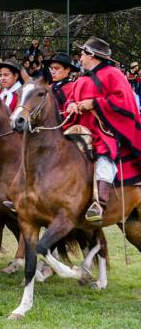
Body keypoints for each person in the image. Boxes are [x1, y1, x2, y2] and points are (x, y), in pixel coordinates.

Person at [65, 36, 141, 222]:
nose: (80, 58)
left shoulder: (113, 74)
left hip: (104, 133)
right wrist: (72, 105)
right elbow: (71, 99)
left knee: (104, 154)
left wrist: (94, 103)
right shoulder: (81, 79)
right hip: (79, 130)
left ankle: (100, 203)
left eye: (82, 54)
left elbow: (124, 102)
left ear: (91, 55)